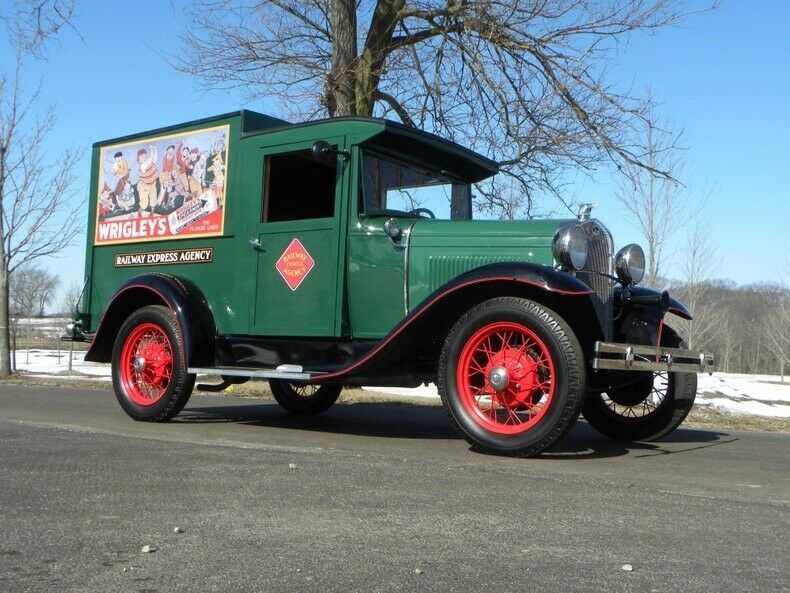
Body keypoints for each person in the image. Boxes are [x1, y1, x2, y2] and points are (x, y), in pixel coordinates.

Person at [136, 146, 158, 217]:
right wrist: (152, 149)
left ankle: (152, 213)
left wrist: (154, 149)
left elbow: (154, 159)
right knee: (144, 203)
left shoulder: (147, 161)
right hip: (144, 186)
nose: (143, 156)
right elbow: (151, 159)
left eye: (144, 155)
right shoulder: (142, 165)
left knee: (153, 200)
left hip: (152, 184)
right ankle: (139, 212)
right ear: (139, 157)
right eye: (141, 155)